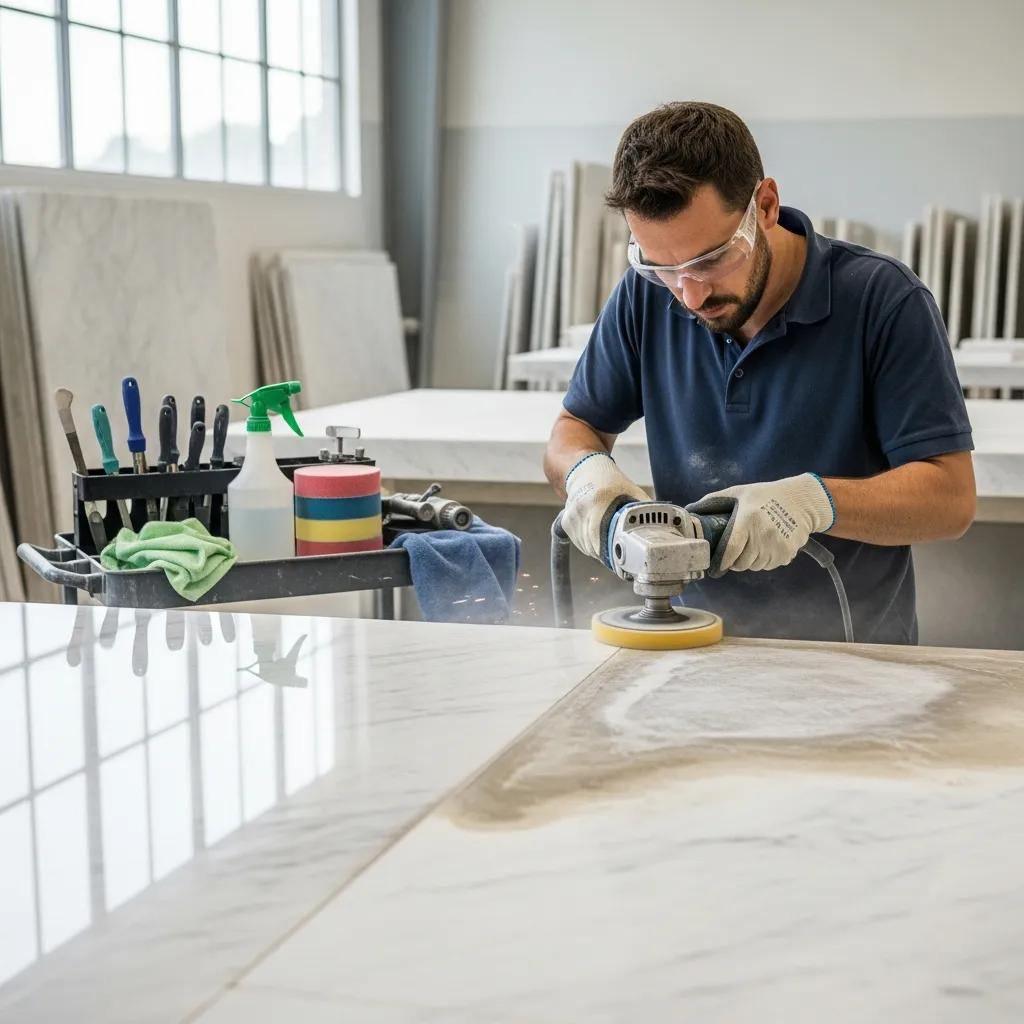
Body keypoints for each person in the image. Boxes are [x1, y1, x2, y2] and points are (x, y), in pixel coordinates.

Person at [544, 101, 975, 644]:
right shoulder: (647, 297)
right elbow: (571, 430)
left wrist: (814, 503)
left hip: (854, 666)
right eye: (662, 268)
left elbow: (950, 500)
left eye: (710, 259)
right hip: (695, 644)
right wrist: (587, 477)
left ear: (765, 205)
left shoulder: (881, 300)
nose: (690, 294)